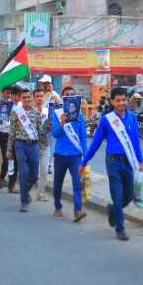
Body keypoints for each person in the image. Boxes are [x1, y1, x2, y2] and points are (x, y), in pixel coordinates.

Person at [80, 87, 143, 241]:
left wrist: (140, 160)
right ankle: (120, 228)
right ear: (112, 102)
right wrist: (84, 161)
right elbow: (96, 143)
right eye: (118, 100)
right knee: (118, 195)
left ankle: (113, 210)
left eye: (124, 100)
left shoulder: (132, 118)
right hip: (113, 162)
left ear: (127, 100)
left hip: (128, 162)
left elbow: (135, 141)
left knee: (129, 195)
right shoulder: (106, 120)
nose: (121, 103)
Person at [51, 86, 88, 221]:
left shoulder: (79, 116)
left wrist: (86, 156)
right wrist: (61, 123)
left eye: (72, 94)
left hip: (75, 156)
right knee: (58, 183)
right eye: (67, 95)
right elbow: (55, 134)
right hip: (60, 155)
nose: (70, 96)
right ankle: (57, 207)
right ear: (63, 98)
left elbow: (83, 136)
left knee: (77, 183)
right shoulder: (57, 113)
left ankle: (77, 211)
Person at [7, 88, 43, 212]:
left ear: (31, 98)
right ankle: (24, 201)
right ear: (20, 99)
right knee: (24, 172)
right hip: (20, 144)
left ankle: (25, 192)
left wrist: (41, 147)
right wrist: (9, 150)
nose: (27, 99)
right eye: (24, 97)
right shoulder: (16, 112)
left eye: (29, 97)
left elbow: (39, 131)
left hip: (33, 145)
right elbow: (11, 132)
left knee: (34, 175)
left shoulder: (36, 112)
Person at [31, 88, 52, 201]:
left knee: (44, 170)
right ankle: (29, 189)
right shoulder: (29, 112)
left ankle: (41, 194)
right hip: (32, 145)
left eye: (41, 96)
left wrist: (50, 127)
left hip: (45, 144)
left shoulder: (47, 111)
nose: (39, 98)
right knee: (34, 172)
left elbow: (51, 126)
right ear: (33, 98)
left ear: (44, 98)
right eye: (37, 96)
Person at [39, 75, 62, 174]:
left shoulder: (54, 94)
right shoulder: (40, 95)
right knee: (40, 145)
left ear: (49, 84)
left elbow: (61, 104)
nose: (44, 85)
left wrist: (52, 93)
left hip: (51, 123)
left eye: (45, 83)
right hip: (40, 122)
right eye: (42, 83)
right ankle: (41, 164)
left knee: (50, 145)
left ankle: (49, 165)